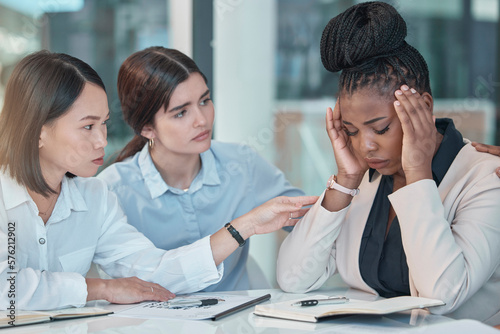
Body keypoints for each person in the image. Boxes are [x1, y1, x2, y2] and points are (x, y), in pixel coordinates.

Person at [0, 50, 317, 311]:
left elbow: (156, 272)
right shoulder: (110, 187)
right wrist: (100, 288)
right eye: (87, 127)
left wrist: (244, 226)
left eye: (104, 124)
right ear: (39, 129)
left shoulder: (95, 198)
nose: (102, 141)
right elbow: (6, 288)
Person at [276, 1, 500, 325]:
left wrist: (418, 173)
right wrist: (345, 180)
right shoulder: (364, 180)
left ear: (423, 107)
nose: (365, 146)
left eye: (381, 128)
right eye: (351, 131)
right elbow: (293, 278)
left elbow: (443, 295)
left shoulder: (485, 179)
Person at [97, 47, 305, 291]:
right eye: (181, 112)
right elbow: (148, 280)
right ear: (146, 128)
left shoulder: (241, 163)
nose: (202, 120)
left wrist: (344, 184)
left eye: (205, 101)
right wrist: (244, 225)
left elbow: (311, 222)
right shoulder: (112, 191)